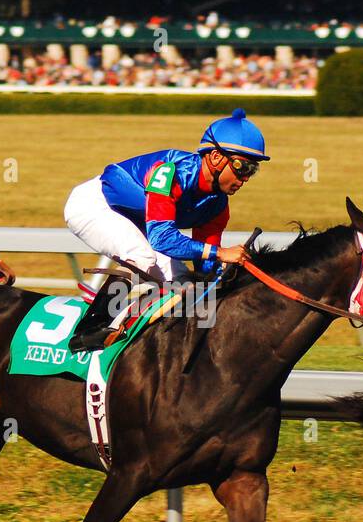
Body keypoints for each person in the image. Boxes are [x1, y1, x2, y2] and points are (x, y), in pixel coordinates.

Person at [63, 108, 269, 352]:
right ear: (215, 158)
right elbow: (162, 239)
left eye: (252, 171)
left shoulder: (218, 205)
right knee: (141, 256)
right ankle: (88, 331)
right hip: (95, 205)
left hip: (142, 222)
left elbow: (204, 266)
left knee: (187, 286)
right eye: (242, 167)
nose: (244, 178)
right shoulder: (171, 173)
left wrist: (227, 274)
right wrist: (220, 253)